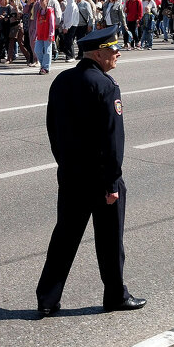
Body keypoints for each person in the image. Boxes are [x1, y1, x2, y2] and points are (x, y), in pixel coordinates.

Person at [35, 25, 146, 318]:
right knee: (110, 240)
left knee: (64, 238)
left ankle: (47, 298)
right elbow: (112, 139)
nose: (117, 53)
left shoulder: (61, 80)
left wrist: (65, 163)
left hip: (71, 174)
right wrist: (111, 182)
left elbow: (52, 129)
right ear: (98, 54)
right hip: (100, 178)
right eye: (112, 49)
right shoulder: (106, 86)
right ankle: (115, 295)